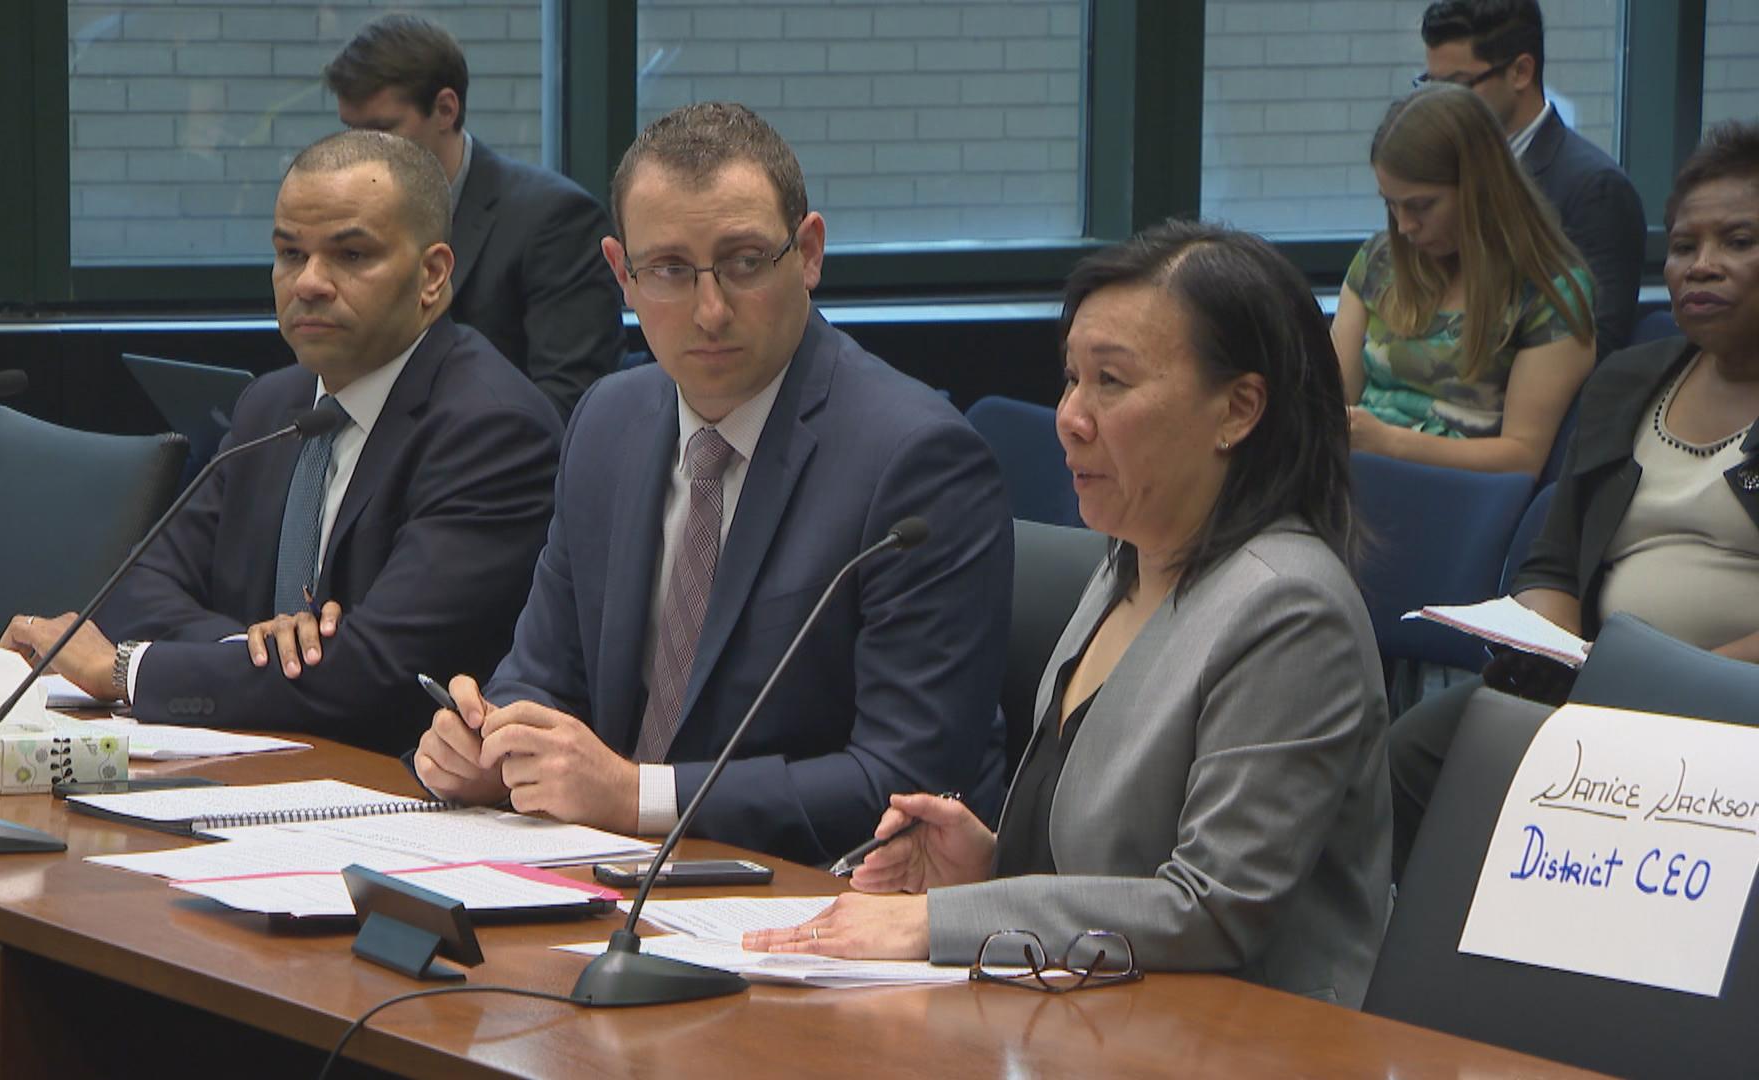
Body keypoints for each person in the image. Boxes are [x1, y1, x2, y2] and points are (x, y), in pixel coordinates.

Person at [746, 222, 1392, 1007]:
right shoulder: (1128, 561)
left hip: (1237, 1043)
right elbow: (1109, 867)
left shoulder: (1290, 610)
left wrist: (946, 921)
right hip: (1086, 1020)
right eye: (1071, 379)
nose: (1069, 417)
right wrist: (990, 867)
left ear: (1239, 409)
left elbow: (1212, 912)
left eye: (1111, 384)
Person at [410, 103, 1014, 866]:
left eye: (744, 262)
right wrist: (490, 742)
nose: (710, 311)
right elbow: (544, 673)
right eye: (667, 270)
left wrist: (635, 795)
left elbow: (908, 780)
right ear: (621, 275)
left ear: (810, 253)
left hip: (810, 900)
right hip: (602, 877)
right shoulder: (607, 421)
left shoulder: (917, 460)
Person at [0, 131, 562, 754]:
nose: (310, 283)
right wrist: (258, 652)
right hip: (249, 763)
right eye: (290, 254)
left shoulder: (492, 428)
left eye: (350, 256)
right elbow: (138, 587)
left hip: (391, 792)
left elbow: (374, 675)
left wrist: (129, 670)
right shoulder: (274, 404)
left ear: (432, 275)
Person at [1389, 121, 1759, 878]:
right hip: (1597, 686)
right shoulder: (1631, 380)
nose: (1702, 267)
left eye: (1738, 242)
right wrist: (1553, 651)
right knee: (1407, 759)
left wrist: (1657, 680)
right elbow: (1555, 560)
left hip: (1732, 704)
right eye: (1685, 247)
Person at [327, 14, 623, 419]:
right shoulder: (352, 224)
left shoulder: (555, 220)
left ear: (446, 109)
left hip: (496, 465)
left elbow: (568, 403)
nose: (361, 152)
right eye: (350, 131)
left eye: (382, 130)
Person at [1331, 84, 1596, 479]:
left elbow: (1523, 458)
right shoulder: (1380, 260)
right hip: (1357, 474)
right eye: (1391, 204)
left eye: (1421, 206)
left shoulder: (1548, 292)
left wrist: (1389, 442)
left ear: (1479, 190)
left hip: (1459, 496)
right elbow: (1332, 400)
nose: (1404, 226)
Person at [1420, 0, 1647, 361]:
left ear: (1521, 72)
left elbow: (1595, 347)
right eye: (1431, 85)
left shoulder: (1596, 190)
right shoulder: (1439, 172)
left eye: (1457, 86)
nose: (1439, 105)